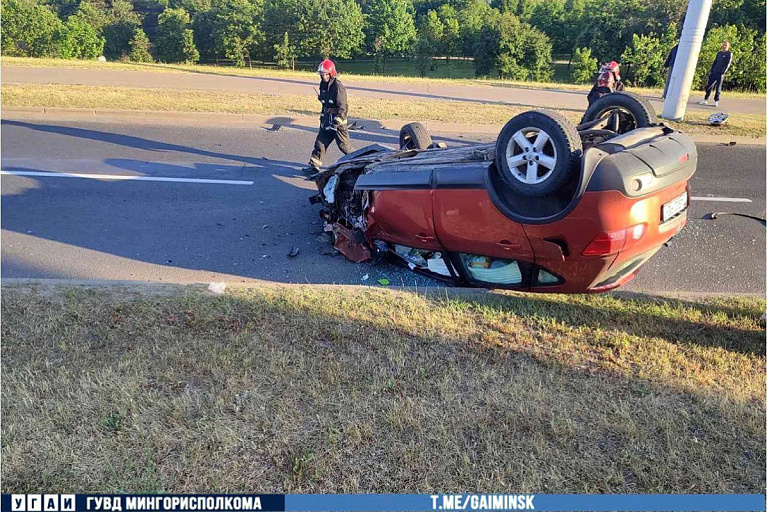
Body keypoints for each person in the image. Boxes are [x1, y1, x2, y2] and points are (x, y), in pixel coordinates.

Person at [308, 59, 352, 171]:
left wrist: (337, 121)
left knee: (344, 147)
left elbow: (342, 107)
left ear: (331, 73)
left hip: (338, 123)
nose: (323, 77)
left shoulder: (338, 87)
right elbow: (325, 103)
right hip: (327, 120)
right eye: (321, 75)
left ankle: (360, 163)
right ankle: (314, 166)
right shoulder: (323, 85)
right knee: (320, 143)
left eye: (325, 74)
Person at [698, 41, 733, 107]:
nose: (724, 46)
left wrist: (723, 72)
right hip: (714, 72)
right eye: (723, 45)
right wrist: (712, 70)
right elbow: (715, 62)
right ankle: (705, 99)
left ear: (728, 46)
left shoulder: (729, 54)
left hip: (721, 73)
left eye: (725, 45)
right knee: (709, 86)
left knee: (718, 88)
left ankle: (716, 101)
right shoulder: (719, 53)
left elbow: (728, 64)